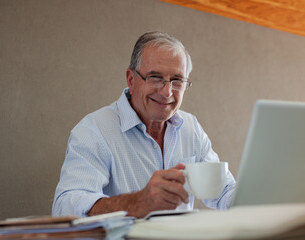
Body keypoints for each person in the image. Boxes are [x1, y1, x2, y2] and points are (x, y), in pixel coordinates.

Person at [52, 31, 235, 218]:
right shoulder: (93, 130)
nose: (167, 92)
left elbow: (224, 190)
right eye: (155, 77)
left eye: (177, 80)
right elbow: (65, 206)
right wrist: (138, 202)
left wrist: (255, 199)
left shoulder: (191, 127)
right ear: (131, 80)